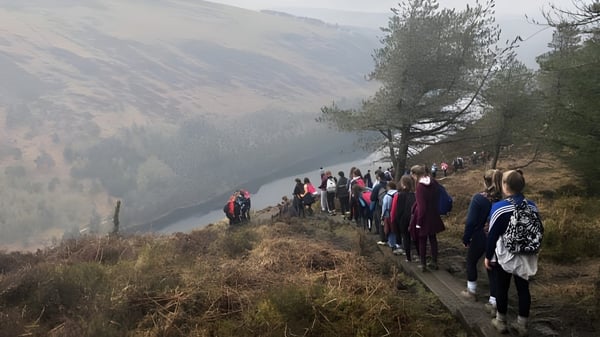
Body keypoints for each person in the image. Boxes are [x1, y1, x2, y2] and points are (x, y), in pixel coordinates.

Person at [484, 170, 540, 336]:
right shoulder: (532, 206)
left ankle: (501, 321)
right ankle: (522, 324)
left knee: (502, 287)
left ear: (505, 186)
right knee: (524, 289)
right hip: (528, 255)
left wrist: (488, 257)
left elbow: (492, 235)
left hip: (506, 256)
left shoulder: (499, 208)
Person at [460, 169, 503, 305]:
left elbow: (471, 222)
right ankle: (493, 301)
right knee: (493, 267)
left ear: (485, 181)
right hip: (500, 238)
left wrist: (466, 238)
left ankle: (471, 292)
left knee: (471, 261)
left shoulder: (478, 198)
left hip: (481, 236)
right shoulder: (505, 199)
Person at [409, 164, 446, 272]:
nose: (413, 178)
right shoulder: (433, 182)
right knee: (433, 239)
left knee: (422, 240)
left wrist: (418, 222)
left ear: (416, 174)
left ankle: (423, 264)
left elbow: (422, 207)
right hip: (434, 214)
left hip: (424, 217)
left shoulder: (420, 187)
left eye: (413, 176)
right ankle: (434, 261)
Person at [394, 175, 416, 262]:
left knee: (406, 238)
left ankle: (408, 257)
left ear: (403, 184)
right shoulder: (413, 194)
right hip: (413, 218)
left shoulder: (400, 195)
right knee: (415, 238)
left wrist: (397, 220)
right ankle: (418, 255)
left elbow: (398, 210)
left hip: (404, 219)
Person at [381, 181, 401, 254]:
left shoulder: (387, 196)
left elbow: (385, 206)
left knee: (389, 229)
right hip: (398, 214)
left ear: (388, 187)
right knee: (397, 229)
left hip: (388, 214)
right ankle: (399, 244)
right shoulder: (398, 194)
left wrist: (382, 215)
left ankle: (392, 244)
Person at [371, 171, 387, 240]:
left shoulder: (377, 186)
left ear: (379, 178)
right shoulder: (389, 184)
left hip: (380, 205)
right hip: (390, 205)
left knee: (381, 221)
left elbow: (372, 198)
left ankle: (383, 238)